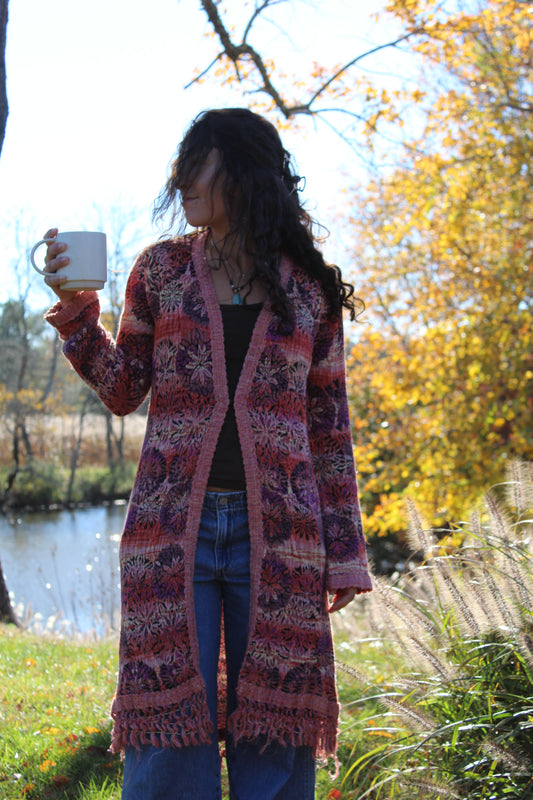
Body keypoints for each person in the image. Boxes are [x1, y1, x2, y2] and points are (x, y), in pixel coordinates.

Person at [42, 107, 372, 800]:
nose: (181, 182)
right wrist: (76, 312)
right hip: (169, 534)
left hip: (282, 538)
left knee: (276, 730)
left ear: (245, 173)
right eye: (181, 168)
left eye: (199, 166)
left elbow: (329, 432)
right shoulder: (161, 271)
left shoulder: (309, 287)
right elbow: (124, 388)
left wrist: (345, 552)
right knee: (167, 733)